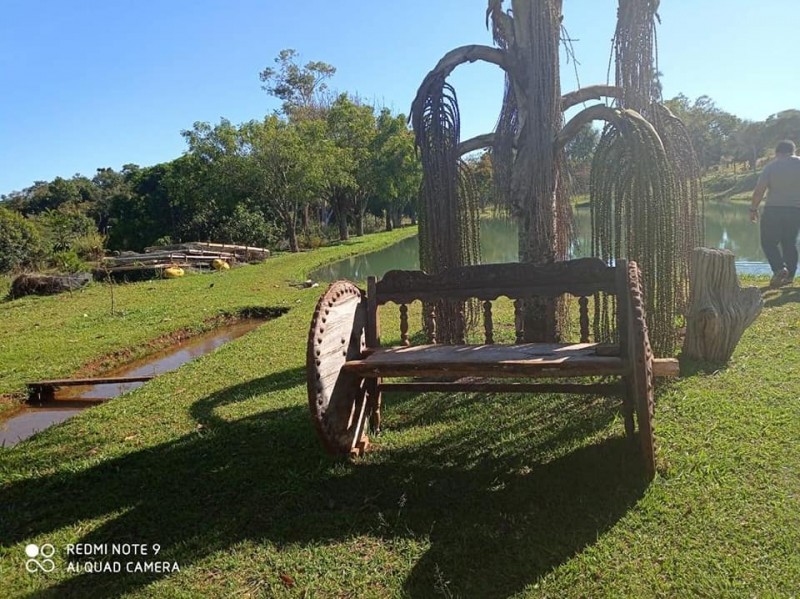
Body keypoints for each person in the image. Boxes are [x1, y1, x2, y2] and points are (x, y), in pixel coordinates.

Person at [750, 140, 800, 288]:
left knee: (768, 242)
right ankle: (790, 276)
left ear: (777, 153)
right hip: (796, 210)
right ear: (793, 151)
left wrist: (753, 209)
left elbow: (760, 190)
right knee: (789, 242)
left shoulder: (771, 167)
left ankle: (779, 269)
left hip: (773, 209)